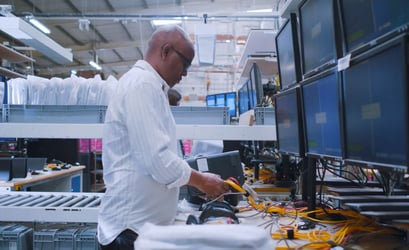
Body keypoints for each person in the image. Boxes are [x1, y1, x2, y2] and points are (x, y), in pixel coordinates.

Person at [97, 24, 230, 250]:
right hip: (130, 232)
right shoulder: (141, 85)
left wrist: (195, 180)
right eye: (185, 63)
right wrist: (202, 181)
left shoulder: (153, 88)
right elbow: (157, 161)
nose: (186, 72)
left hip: (141, 228)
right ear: (166, 51)